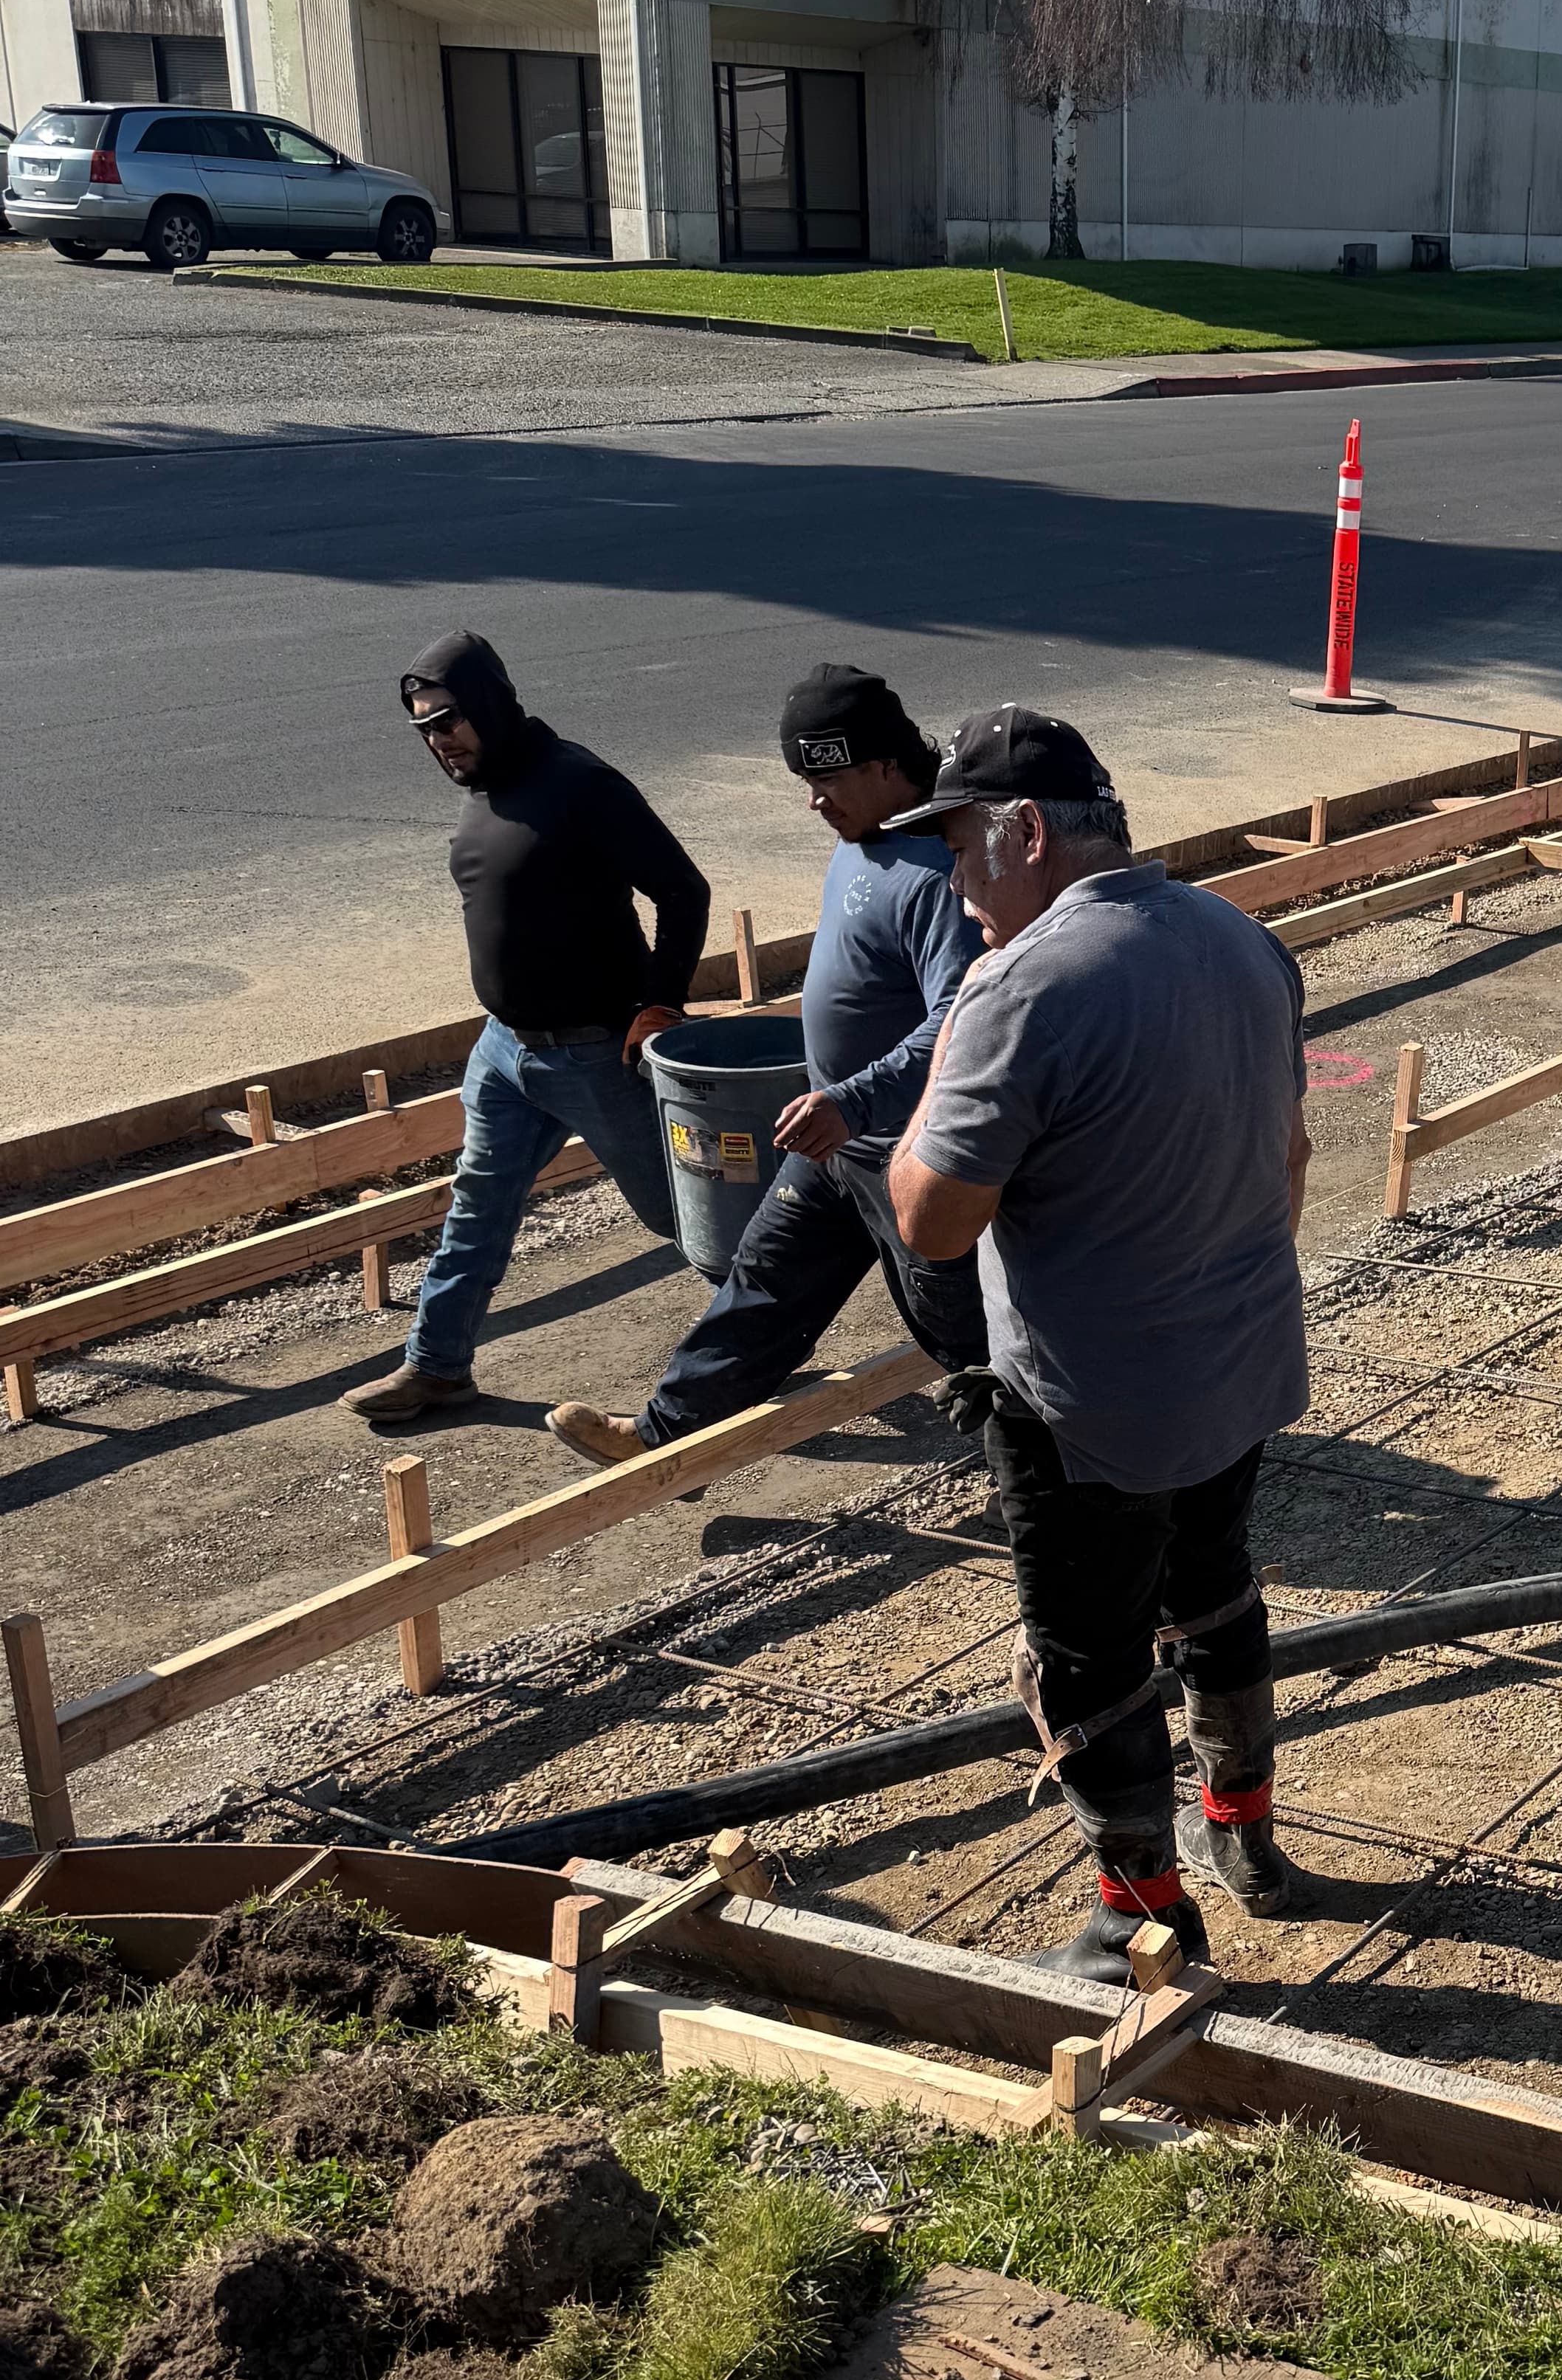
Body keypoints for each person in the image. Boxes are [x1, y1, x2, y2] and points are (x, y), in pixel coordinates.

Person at [887, 704, 1312, 1981]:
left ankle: (1139, 1910)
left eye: (963, 851)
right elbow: (1286, 1162)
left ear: (1024, 832)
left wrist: (948, 1046)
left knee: (1089, 1652)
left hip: (1087, 1403)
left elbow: (930, 1221)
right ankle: (1245, 1835)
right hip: (1234, 1359)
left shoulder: (1022, 985)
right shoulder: (1243, 939)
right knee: (1216, 1590)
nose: (957, 888)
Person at [546, 665, 988, 1466]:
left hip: (910, 1153)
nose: (814, 801)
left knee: (967, 1333)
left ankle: (1054, 1478)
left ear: (887, 766)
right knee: (763, 1284)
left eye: (827, 779)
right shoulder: (863, 842)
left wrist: (854, 1099)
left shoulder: (937, 870)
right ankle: (661, 1439)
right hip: (835, 1141)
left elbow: (961, 1024)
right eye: (804, 782)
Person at [345, 630, 707, 1425]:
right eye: (425, 731)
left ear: (488, 707)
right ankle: (437, 1367)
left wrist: (662, 1006)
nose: (439, 742)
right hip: (506, 1049)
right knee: (479, 1205)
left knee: (685, 1217)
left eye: (448, 722)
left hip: (599, 1052)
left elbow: (683, 891)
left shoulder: (579, 783)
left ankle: (769, 1331)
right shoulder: (486, 785)